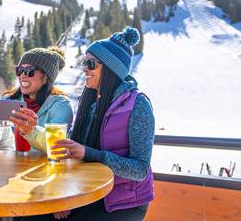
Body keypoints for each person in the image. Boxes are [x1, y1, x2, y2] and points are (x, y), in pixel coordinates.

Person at [17, 27, 155, 221]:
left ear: (109, 68)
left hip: (123, 201)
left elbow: (140, 169)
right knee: (29, 217)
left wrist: (90, 154)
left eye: (90, 64)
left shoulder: (138, 104)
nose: (84, 69)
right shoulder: (91, 102)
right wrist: (62, 195)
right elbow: (71, 152)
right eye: (84, 63)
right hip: (88, 190)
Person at [0, 46, 73, 155]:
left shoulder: (61, 106)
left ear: (46, 78)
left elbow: (57, 145)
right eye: (19, 70)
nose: (22, 76)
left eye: (29, 71)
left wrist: (30, 131)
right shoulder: (9, 101)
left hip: (48, 170)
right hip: (15, 170)